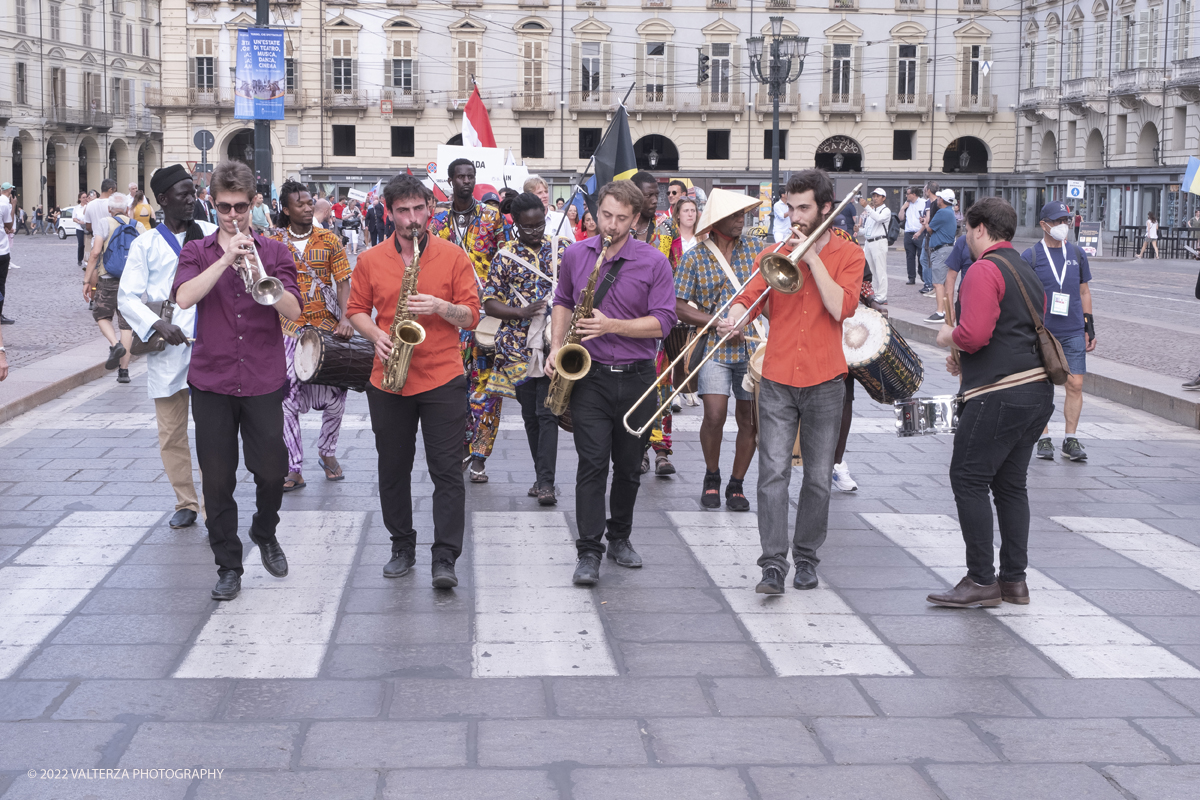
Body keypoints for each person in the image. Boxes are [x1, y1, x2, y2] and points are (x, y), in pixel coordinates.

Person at [719, 169, 863, 595]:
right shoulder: (774, 251)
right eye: (790, 207)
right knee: (772, 473)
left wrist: (811, 255)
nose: (795, 216)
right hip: (778, 377)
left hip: (825, 379)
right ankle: (772, 565)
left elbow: (841, 309)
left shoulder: (848, 255)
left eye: (804, 208)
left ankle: (806, 558)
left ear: (824, 208)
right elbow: (750, 296)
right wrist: (737, 314)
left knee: (818, 477)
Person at [173, 159, 303, 602]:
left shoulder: (277, 251)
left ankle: (264, 530)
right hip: (211, 381)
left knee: (273, 470)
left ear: (254, 204)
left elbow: (294, 312)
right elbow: (185, 298)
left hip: (264, 378)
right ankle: (228, 564)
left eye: (241, 207)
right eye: (225, 207)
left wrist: (259, 275)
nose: (233, 216)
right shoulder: (196, 251)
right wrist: (227, 257)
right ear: (213, 203)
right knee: (217, 479)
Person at [348, 174, 480, 588]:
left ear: (430, 210)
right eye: (402, 211)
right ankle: (402, 546)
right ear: (389, 213)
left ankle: (445, 558)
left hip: (442, 376)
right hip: (388, 379)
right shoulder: (370, 260)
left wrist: (443, 306)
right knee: (393, 468)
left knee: (446, 472)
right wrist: (376, 335)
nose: (411, 219)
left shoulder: (453, 256)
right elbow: (355, 310)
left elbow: (472, 316)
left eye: (418, 209)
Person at [547, 179, 677, 586]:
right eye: (606, 215)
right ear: (596, 212)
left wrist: (612, 325)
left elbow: (664, 321)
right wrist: (555, 348)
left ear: (636, 219)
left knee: (628, 468)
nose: (612, 225)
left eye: (622, 218)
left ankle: (620, 536)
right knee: (591, 464)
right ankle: (589, 550)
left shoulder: (654, 261)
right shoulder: (575, 253)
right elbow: (564, 302)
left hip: (638, 377)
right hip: (590, 377)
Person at [928, 197, 1054, 608]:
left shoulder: (984, 269)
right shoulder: (1025, 268)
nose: (966, 237)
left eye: (967, 230)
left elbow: (976, 333)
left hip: (999, 395)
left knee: (968, 478)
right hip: (1035, 391)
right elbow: (1013, 330)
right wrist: (966, 359)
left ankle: (981, 580)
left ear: (981, 229)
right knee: (1010, 485)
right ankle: (1014, 581)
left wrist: (952, 338)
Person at [117, 163, 214, 530]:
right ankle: (185, 501)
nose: (192, 200)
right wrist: (157, 323)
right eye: (184, 194)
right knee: (172, 431)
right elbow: (127, 298)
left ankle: (213, 502)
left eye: (194, 193)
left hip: (209, 346)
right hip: (168, 348)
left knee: (211, 431)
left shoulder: (208, 233)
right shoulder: (145, 243)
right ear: (162, 199)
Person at [674, 189, 764, 511]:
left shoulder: (756, 248)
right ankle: (712, 475)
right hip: (714, 345)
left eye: (743, 214)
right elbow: (678, 306)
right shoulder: (695, 256)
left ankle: (736, 484)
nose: (742, 220)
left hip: (752, 345)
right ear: (716, 221)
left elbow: (772, 290)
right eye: (735, 215)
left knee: (749, 421)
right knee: (713, 415)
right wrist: (714, 322)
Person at [482, 192, 568, 505]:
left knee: (547, 413)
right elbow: (489, 302)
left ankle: (546, 483)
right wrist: (521, 312)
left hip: (553, 342)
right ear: (515, 224)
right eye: (527, 227)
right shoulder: (505, 255)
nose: (535, 232)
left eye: (540, 225)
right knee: (531, 414)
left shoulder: (563, 249)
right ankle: (540, 476)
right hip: (517, 346)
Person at [269, 179, 355, 491]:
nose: (307, 208)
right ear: (285, 208)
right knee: (287, 398)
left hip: (327, 329)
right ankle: (293, 467)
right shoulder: (273, 241)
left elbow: (344, 281)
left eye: (310, 202)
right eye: (300, 204)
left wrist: (347, 317)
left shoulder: (329, 239)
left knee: (336, 396)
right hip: (289, 329)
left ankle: (327, 452)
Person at [430, 159, 506, 482]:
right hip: (450, 316)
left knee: (487, 387)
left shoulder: (492, 216)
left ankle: (480, 455)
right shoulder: (437, 222)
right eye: (460, 176)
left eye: (470, 176)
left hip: (486, 315)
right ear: (450, 181)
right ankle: (461, 444)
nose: (465, 181)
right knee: (453, 385)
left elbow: (504, 259)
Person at [1023, 201, 1095, 463]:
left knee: (1075, 383)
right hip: (1043, 333)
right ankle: (1043, 437)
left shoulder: (1076, 253)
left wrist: (1090, 326)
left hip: (1074, 328)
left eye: (1066, 220)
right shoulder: (1030, 256)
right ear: (1044, 225)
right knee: (1043, 387)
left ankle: (1070, 438)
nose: (1063, 225)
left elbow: (1084, 290)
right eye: (1057, 221)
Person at [631, 171, 676, 476]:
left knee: (663, 386)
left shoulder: (665, 231)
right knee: (636, 391)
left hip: (658, 323)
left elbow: (674, 272)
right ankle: (638, 448)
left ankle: (661, 449)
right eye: (647, 195)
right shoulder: (622, 229)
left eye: (655, 194)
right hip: (625, 323)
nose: (653, 200)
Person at [84, 192, 144, 383]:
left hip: (109, 278)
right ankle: (124, 372)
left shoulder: (104, 223)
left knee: (101, 315)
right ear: (127, 209)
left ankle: (114, 344)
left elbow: (95, 253)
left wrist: (87, 281)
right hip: (131, 280)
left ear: (109, 209)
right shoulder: (138, 226)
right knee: (126, 325)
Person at [922, 188, 958, 324]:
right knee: (945, 282)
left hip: (941, 250)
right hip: (946, 249)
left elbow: (930, 228)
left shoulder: (942, 212)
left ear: (942, 200)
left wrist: (925, 222)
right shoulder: (949, 212)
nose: (937, 200)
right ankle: (946, 311)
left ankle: (940, 312)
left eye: (938, 198)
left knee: (937, 283)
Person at [860, 188, 892, 304]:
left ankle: (882, 296)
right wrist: (858, 230)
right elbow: (868, 230)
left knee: (880, 270)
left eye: (878, 196)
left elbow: (879, 219)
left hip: (879, 242)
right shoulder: (871, 212)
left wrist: (866, 207)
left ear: (883, 198)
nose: (875, 198)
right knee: (870, 271)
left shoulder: (886, 211)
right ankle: (872, 294)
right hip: (869, 242)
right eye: (874, 196)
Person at [524, 176, 577, 244]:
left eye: (546, 192)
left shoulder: (561, 218)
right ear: (529, 196)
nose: (545, 195)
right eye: (540, 193)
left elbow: (572, 245)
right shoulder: (523, 221)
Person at [900, 187, 924, 286]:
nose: (906, 195)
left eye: (908, 194)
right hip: (908, 232)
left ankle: (922, 274)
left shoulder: (923, 202)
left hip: (920, 232)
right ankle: (911, 277)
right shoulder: (907, 204)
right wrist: (902, 208)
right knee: (910, 256)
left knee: (921, 255)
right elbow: (901, 218)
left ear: (914, 194)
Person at [670, 197, 701, 268]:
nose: (690, 214)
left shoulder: (704, 237)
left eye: (693, 210)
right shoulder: (671, 238)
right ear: (678, 215)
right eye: (686, 211)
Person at [0, 183, 12, 324]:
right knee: (1, 283)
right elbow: (9, 225)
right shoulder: (4, 205)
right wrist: (13, 205)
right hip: (2, 250)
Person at [73, 192, 89, 268]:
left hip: (88, 227)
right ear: (80, 199)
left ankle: (87, 259)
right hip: (79, 228)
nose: (85, 198)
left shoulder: (88, 206)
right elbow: (74, 218)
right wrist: (79, 221)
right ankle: (80, 259)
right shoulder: (76, 208)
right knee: (81, 244)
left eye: (86, 197)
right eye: (83, 197)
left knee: (88, 244)